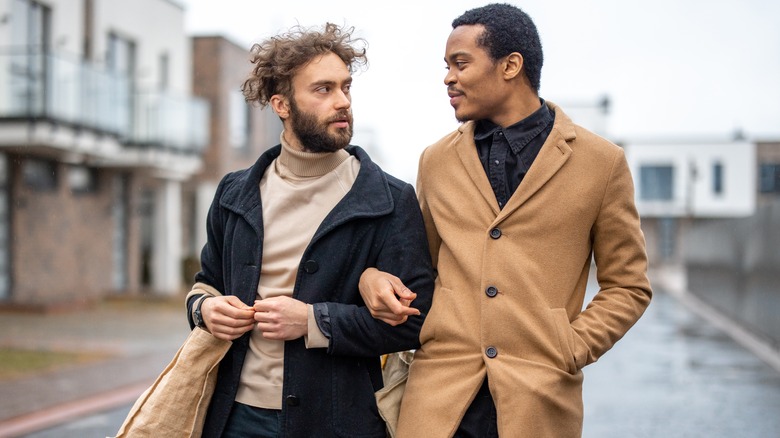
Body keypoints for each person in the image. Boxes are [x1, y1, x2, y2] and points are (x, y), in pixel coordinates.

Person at [358, 4, 652, 437]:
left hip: (538, 402)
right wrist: (371, 277)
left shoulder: (601, 163)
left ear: (511, 66)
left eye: (460, 64)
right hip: (437, 402)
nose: (448, 78)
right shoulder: (436, 160)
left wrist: (572, 346)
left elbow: (628, 286)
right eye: (446, 66)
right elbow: (418, 269)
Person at [185, 22, 434, 438]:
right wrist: (205, 311)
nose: (343, 102)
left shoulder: (388, 199)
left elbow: (416, 322)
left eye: (346, 87)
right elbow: (205, 284)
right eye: (323, 89)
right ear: (282, 105)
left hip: (336, 422)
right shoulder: (234, 192)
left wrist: (313, 321)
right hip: (233, 417)